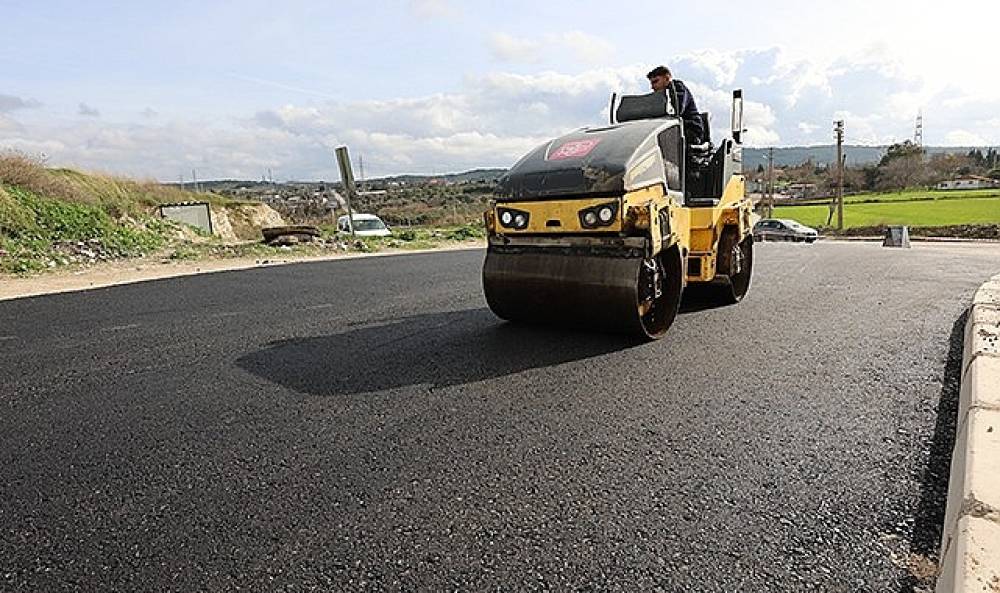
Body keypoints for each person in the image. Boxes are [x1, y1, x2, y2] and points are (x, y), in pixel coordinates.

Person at [647, 65, 705, 145]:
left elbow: (678, 109)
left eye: (655, 82)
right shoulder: (660, 96)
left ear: (667, 78)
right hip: (675, 129)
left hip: (690, 129)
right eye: (652, 83)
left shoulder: (677, 88)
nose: (653, 87)